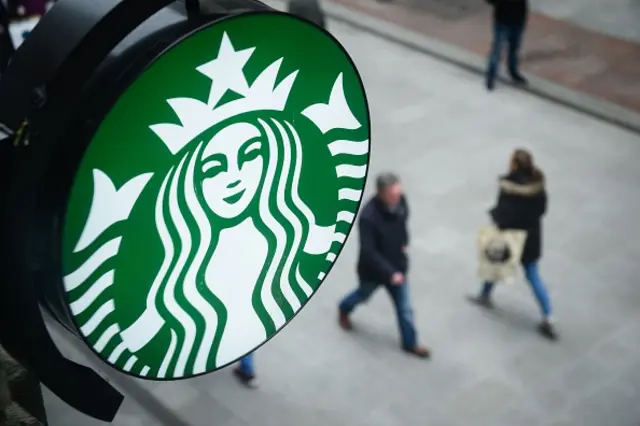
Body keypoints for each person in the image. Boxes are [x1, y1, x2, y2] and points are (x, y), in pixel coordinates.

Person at [337, 173, 430, 358]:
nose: (397, 197)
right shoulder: (368, 217)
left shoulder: (401, 202)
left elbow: (403, 222)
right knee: (363, 294)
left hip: (397, 266)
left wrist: (404, 243)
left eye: (398, 192)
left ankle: (410, 343)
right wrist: (390, 273)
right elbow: (368, 251)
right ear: (381, 193)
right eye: (393, 194)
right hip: (374, 272)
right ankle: (344, 307)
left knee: (405, 308)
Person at [469, 149, 557, 340]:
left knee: (495, 264)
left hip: (510, 236)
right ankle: (548, 316)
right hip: (532, 237)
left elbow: (504, 212)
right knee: (533, 275)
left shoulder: (509, 186)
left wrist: (495, 216)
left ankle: (484, 296)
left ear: (515, 165)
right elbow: (542, 210)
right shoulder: (538, 185)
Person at [485, 0, 529, 91]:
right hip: (504, 19)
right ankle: (492, 75)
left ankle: (512, 72)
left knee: (513, 48)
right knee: (497, 50)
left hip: (516, 18)